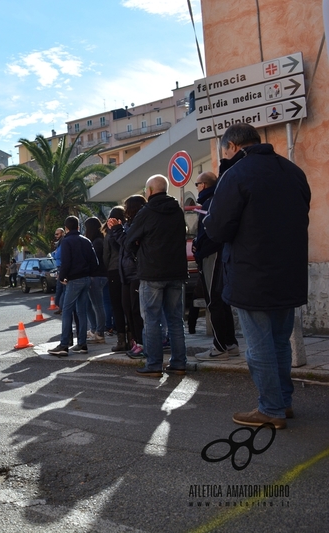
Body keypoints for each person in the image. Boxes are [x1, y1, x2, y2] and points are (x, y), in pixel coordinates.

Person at [204, 123, 310, 429]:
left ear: (233, 147)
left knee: (260, 346)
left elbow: (220, 227)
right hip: (289, 272)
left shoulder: (235, 175)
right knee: (279, 343)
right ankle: (283, 403)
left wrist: (209, 218)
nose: (224, 157)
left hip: (252, 274)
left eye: (223, 151)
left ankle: (270, 409)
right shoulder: (293, 171)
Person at [112, 175, 188, 377]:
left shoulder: (147, 212)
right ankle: (179, 363)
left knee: (152, 320)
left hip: (152, 272)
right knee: (175, 320)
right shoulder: (178, 211)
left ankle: (154, 365)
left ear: (150, 191)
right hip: (177, 271)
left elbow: (129, 241)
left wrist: (118, 230)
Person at [192, 171, 240, 361]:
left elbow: (212, 231)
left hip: (213, 254)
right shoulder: (214, 200)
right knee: (220, 300)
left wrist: (200, 248)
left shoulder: (210, 202)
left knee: (214, 302)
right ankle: (230, 343)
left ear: (203, 185)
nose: (196, 188)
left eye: (197, 184)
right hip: (214, 253)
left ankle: (219, 347)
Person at [48, 216, 98, 356]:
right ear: (78, 227)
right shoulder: (86, 241)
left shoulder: (67, 241)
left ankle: (64, 345)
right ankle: (82, 344)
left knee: (67, 310)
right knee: (82, 312)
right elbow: (94, 261)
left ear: (66, 228)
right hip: (86, 278)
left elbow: (66, 262)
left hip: (73, 280)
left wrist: (63, 278)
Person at [110, 196, 146, 358]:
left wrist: (117, 230)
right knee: (127, 309)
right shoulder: (127, 225)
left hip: (136, 273)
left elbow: (129, 244)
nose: (124, 210)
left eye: (126, 207)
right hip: (125, 273)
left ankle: (141, 343)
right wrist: (116, 230)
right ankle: (135, 341)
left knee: (136, 310)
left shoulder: (139, 223)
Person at [104, 206, 128, 352]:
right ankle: (134, 339)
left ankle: (121, 340)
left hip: (114, 271)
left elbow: (106, 256)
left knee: (117, 307)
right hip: (128, 270)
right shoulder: (128, 230)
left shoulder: (109, 234)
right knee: (130, 306)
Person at [84, 217, 107, 344]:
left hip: (96, 276)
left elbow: (94, 261)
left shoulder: (96, 242)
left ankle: (99, 332)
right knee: (90, 305)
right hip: (100, 276)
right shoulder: (99, 240)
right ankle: (94, 329)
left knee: (97, 305)